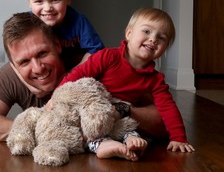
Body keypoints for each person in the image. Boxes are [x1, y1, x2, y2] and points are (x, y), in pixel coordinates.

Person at [0, 12, 167, 143]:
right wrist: (43, 127)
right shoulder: (11, 75)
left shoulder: (96, 63)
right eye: (24, 62)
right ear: (14, 64)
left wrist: (120, 109)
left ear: (57, 45)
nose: (37, 68)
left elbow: (164, 120)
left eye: (42, 53)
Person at [58, 8, 195, 160]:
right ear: (129, 34)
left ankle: (128, 141)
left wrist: (178, 137)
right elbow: (78, 75)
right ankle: (102, 145)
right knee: (85, 128)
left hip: (119, 117)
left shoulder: (155, 79)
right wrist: (56, 96)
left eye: (161, 38)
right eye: (147, 31)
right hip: (95, 108)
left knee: (130, 127)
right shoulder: (108, 56)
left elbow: (168, 107)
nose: (153, 39)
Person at [25, 0, 104, 69]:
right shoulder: (27, 25)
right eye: (39, 1)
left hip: (76, 68)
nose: (48, 8)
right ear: (29, 2)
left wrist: (75, 71)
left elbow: (97, 51)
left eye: (55, 0)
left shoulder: (79, 22)